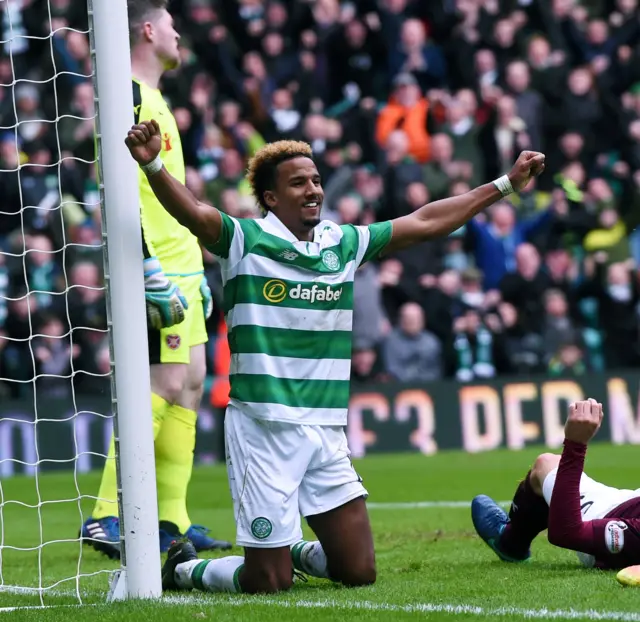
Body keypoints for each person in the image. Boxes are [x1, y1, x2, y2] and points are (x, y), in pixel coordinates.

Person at [124, 115, 544, 593]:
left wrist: (506, 184)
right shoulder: (244, 241)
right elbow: (195, 214)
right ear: (270, 198)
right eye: (298, 182)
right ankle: (184, 569)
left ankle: (292, 549)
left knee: (359, 571)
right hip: (264, 428)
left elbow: (425, 222)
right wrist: (155, 163)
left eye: (317, 180)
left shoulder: (341, 245)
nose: (313, 190)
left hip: (324, 429)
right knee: (268, 582)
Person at [81, 0, 230, 558]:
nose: (178, 34)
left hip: (183, 266)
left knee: (190, 383)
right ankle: (105, 514)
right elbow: (118, 187)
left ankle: (172, 521)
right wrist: (147, 265)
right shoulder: (129, 96)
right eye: (171, 25)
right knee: (162, 387)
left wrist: (196, 267)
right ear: (147, 29)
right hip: (157, 268)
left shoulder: (157, 97)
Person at [472, 398, 640, 581]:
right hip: (630, 501)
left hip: (606, 518)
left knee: (546, 464)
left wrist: (575, 445)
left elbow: (567, 533)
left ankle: (511, 544)